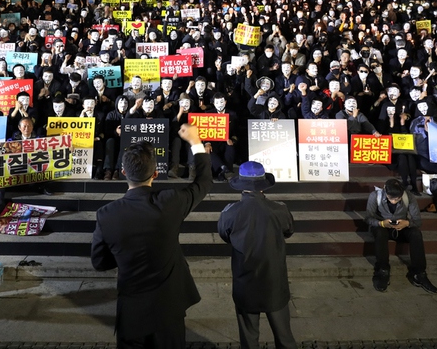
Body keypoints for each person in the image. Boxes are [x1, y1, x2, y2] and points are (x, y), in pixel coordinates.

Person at [90, 122, 210, 348]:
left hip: (132, 312)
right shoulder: (170, 202)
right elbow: (203, 183)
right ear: (155, 173)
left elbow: (99, 262)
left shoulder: (106, 214)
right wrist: (195, 142)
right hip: (169, 309)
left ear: (124, 172)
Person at [217, 161, 296, 349]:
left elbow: (224, 235)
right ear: (263, 185)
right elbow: (289, 231)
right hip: (274, 283)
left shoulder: (230, 212)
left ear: (241, 185)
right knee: (285, 339)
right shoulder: (279, 209)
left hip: (245, 284)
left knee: (249, 340)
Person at [363, 178, 437, 294]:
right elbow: (368, 218)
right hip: (382, 226)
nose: (394, 201)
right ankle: (382, 270)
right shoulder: (375, 196)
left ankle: (419, 273)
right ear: (385, 191)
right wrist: (381, 223)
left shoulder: (408, 197)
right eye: (391, 198)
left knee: (416, 233)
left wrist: (407, 223)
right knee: (380, 233)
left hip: (401, 227)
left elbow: (418, 221)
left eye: (397, 199)